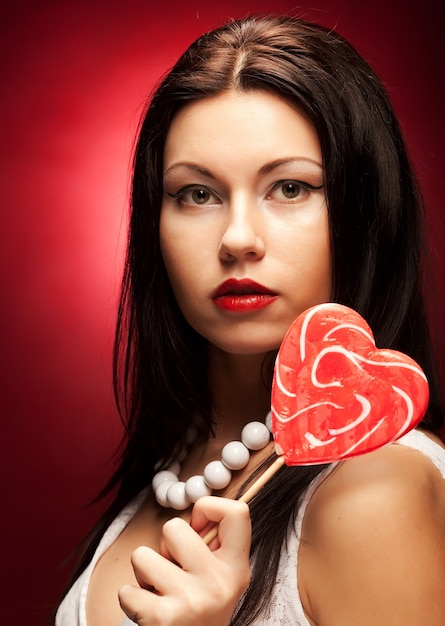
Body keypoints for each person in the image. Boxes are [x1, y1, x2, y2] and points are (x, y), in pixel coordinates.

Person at [55, 14, 445, 626]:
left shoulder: (374, 492)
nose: (238, 239)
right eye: (197, 194)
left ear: (365, 213)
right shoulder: (176, 466)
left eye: (290, 188)